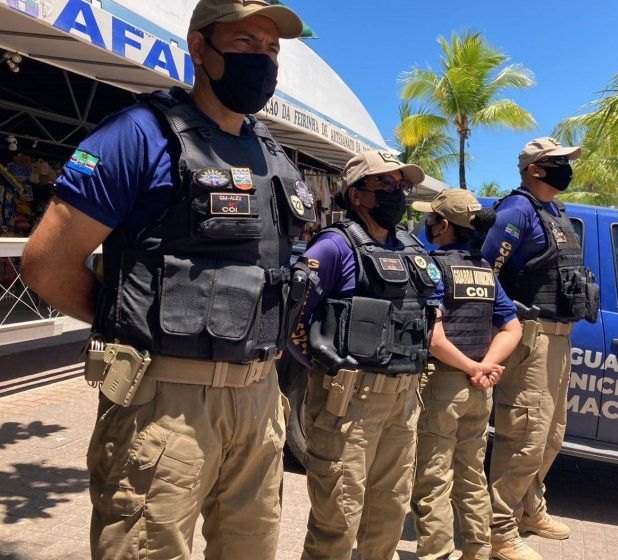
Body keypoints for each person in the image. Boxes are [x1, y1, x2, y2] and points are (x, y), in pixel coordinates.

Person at [20, 2, 314, 558]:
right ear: (199, 49)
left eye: (271, 49)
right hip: (165, 402)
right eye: (245, 43)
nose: (263, 59)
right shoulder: (138, 134)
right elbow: (45, 263)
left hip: (259, 398)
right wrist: (124, 318)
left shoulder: (271, 153)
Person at [291, 150, 437, 560]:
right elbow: (291, 316)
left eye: (401, 184)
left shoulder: (409, 247)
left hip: (403, 402)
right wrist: (323, 366)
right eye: (386, 183)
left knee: (388, 516)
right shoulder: (335, 246)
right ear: (357, 194)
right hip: (350, 404)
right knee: (338, 521)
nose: (397, 192)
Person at [481, 137, 599, 560]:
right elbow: (483, 270)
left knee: (550, 434)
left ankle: (530, 509)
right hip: (530, 339)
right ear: (534, 169)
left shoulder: (554, 211)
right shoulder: (516, 210)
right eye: (558, 162)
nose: (567, 167)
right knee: (525, 437)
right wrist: (509, 319)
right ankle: (497, 531)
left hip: (559, 337)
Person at [409, 189, 521, 560]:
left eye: (431, 218)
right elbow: (513, 328)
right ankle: (477, 550)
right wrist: (485, 367)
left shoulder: (434, 267)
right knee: (472, 475)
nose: (428, 224)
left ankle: (437, 555)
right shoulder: (485, 271)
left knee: (433, 479)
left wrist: (474, 367)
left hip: (445, 385)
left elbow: (435, 340)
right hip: (479, 390)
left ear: (443, 226)